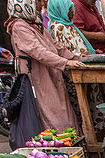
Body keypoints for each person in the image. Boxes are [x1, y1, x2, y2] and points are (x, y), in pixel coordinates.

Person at [6, 0, 88, 132]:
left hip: (52, 72)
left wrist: (75, 57)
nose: (40, 5)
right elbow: (38, 51)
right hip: (38, 77)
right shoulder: (19, 26)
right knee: (52, 112)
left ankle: (72, 141)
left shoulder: (35, 22)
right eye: (36, 2)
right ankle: (60, 146)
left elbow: (55, 45)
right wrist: (65, 63)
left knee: (63, 108)